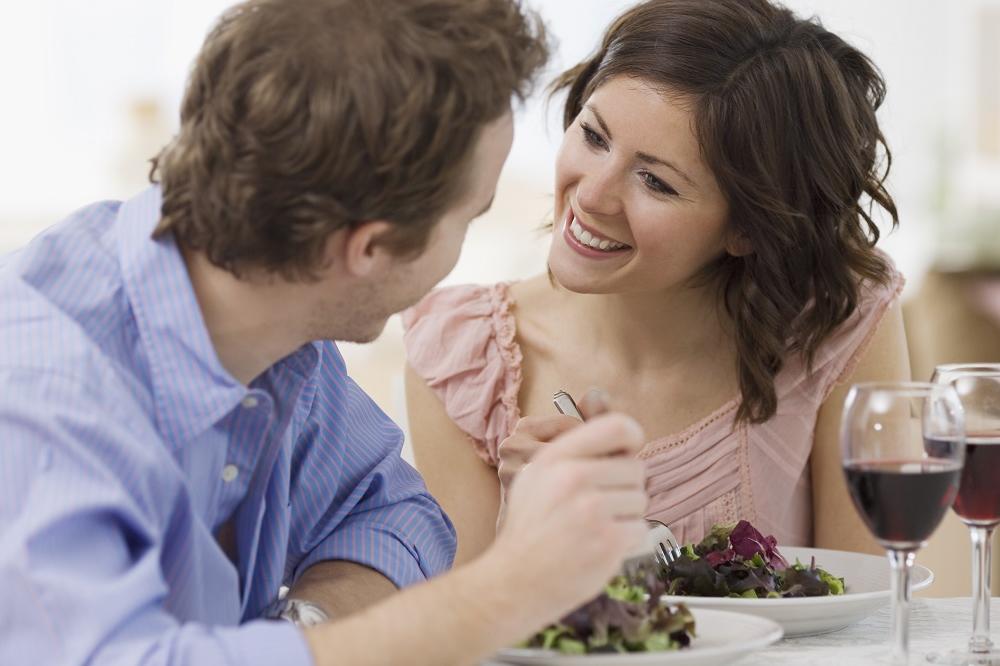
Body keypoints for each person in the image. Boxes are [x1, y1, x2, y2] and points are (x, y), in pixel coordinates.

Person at [0, 1, 652, 665]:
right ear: (368, 248)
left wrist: (303, 630)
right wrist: (509, 586)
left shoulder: (277, 320)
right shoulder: (38, 399)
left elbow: (393, 514)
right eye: (469, 218)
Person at [403, 0, 911, 567]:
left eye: (655, 181)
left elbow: (872, 598)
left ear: (747, 227)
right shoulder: (462, 357)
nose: (591, 195)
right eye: (594, 136)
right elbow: (466, 619)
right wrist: (524, 536)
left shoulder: (837, 320)